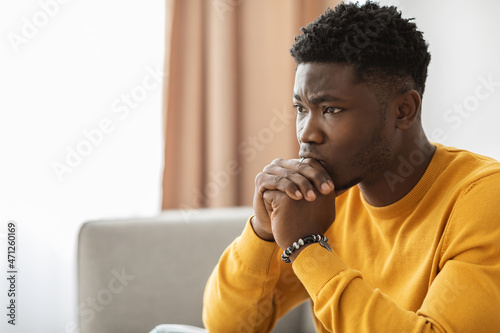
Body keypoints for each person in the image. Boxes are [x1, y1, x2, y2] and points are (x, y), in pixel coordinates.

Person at [202, 1, 500, 332]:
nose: (306, 133)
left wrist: (307, 248)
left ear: (403, 110)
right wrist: (262, 231)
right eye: (301, 108)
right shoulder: (320, 199)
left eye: (330, 110)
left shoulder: (485, 199)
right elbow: (227, 327)